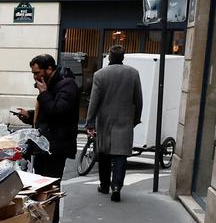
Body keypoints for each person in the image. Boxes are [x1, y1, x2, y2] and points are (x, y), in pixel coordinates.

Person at [85, 45, 143, 201]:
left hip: (105, 121)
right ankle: (116, 187)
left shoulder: (100, 75)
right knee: (120, 155)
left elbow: (94, 101)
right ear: (123, 57)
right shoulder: (133, 73)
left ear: (109, 57)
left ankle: (104, 185)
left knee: (103, 154)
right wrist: (136, 119)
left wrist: (90, 122)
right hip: (125, 120)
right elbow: (138, 99)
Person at [11, 53, 79, 181]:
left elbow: (58, 112)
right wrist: (30, 115)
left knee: (50, 186)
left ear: (49, 69)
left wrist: (44, 93)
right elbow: (47, 113)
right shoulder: (51, 84)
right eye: (33, 73)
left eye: (37, 73)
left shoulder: (67, 85)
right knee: (40, 183)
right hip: (43, 144)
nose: (35, 77)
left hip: (55, 146)